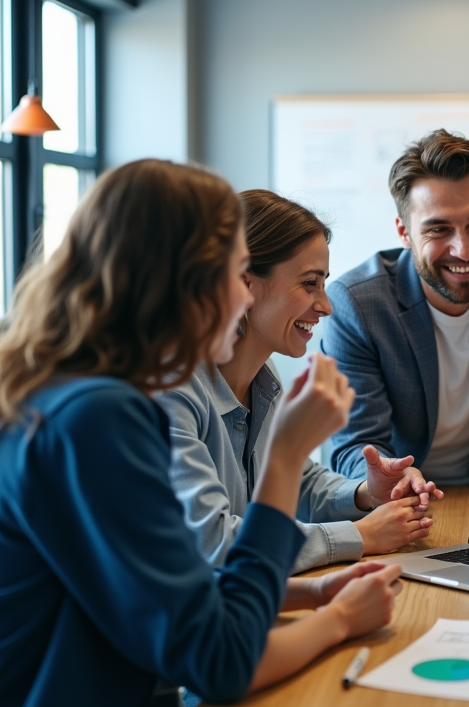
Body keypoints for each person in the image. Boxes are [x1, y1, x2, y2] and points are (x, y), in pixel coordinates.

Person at [0, 160, 405, 707]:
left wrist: (310, 592)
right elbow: (220, 660)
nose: (243, 301)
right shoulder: (97, 417)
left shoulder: (79, 396)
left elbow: (171, 587)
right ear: (186, 282)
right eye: (236, 276)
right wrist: (339, 619)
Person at [158, 189, 441, 573]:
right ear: (244, 284)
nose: (325, 306)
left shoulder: (263, 376)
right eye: (310, 284)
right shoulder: (172, 389)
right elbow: (214, 541)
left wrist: (365, 493)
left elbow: (297, 481)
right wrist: (360, 536)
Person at [322, 129, 469, 485]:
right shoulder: (357, 304)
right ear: (404, 232)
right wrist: (394, 481)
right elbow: (358, 443)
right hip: (399, 503)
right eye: (438, 230)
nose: (464, 250)